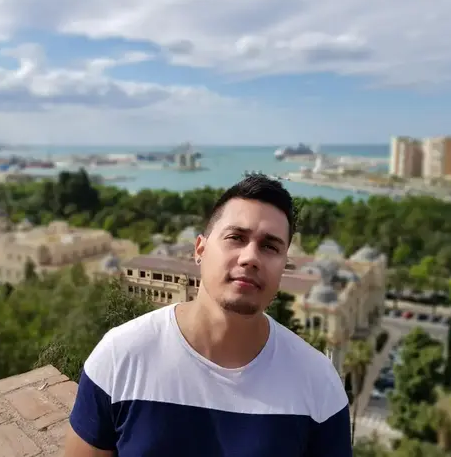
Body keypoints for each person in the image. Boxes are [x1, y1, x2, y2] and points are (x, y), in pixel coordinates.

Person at [64, 173, 352, 457]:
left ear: (283, 266)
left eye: (269, 246)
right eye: (236, 237)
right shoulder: (120, 356)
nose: (250, 257)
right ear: (200, 249)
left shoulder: (318, 382)